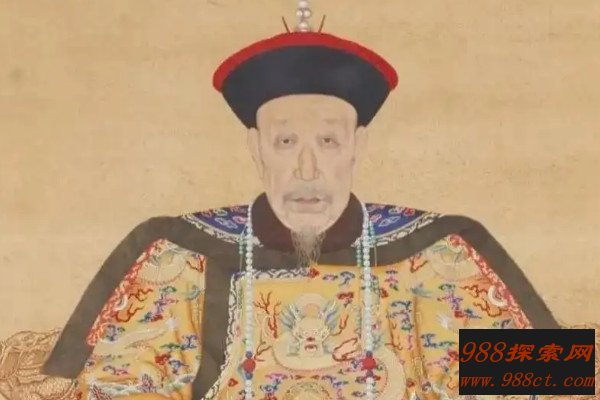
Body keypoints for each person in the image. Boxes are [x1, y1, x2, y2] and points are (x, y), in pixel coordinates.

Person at [42, 2, 558, 399]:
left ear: (357, 146)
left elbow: (539, 381)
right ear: (256, 148)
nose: (307, 170)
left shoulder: (438, 252)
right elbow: (118, 385)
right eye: (286, 141)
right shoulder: (178, 256)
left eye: (328, 141)